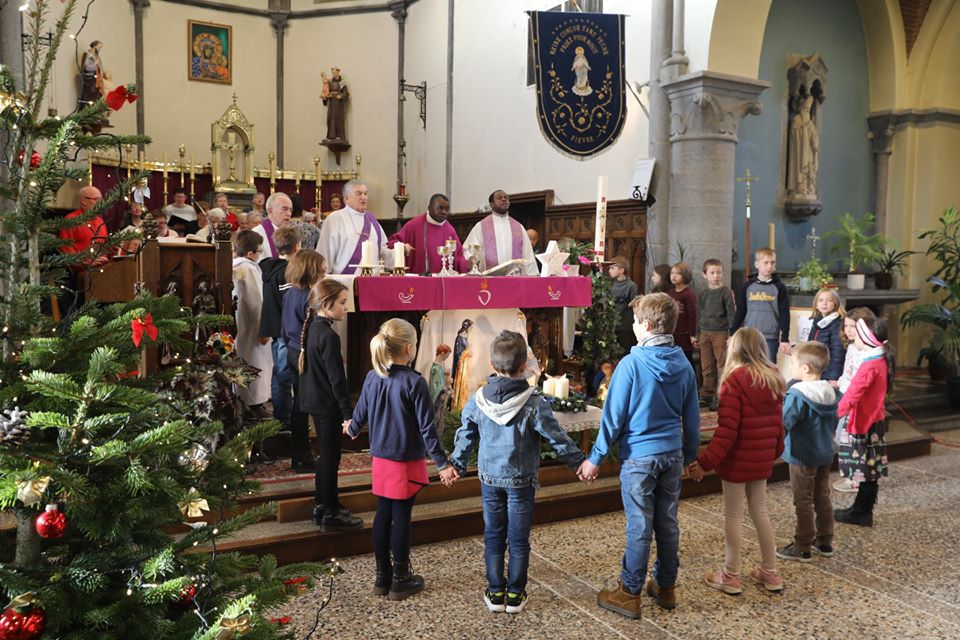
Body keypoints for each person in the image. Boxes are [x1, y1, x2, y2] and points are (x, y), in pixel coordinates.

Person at [579, 293, 700, 619]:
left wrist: (595, 457)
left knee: (639, 526)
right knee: (668, 523)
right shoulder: (684, 364)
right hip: (671, 455)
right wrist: (691, 456)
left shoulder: (631, 365)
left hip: (639, 459)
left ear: (645, 325)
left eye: (634, 321)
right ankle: (665, 586)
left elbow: (613, 417)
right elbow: (692, 416)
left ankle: (630, 592)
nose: (632, 326)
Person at [449, 330, 586, 614]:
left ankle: (495, 591)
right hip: (521, 481)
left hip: (490, 478)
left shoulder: (478, 399)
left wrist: (457, 466)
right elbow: (557, 437)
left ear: (491, 364)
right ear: (524, 366)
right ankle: (515, 594)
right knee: (519, 539)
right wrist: (578, 464)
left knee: (494, 536)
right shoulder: (533, 402)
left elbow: (465, 434)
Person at [346, 319, 458, 601]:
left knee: (383, 513)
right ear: (409, 348)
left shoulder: (372, 377)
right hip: (404, 459)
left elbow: (359, 417)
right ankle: (400, 578)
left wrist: (350, 427)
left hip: (380, 458)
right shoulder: (414, 382)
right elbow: (427, 429)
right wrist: (443, 464)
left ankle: (382, 577)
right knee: (402, 515)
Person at [688, 327, 786, 595]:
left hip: (737, 461)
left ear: (735, 350)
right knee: (760, 512)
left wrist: (704, 462)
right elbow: (779, 426)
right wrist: (774, 452)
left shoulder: (734, 381)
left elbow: (726, 433)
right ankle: (770, 571)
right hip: (762, 458)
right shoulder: (774, 378)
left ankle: (730, 575)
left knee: (733, 515)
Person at [298, 278, 363, 531]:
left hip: (314, 400)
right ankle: (332, 512)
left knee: (325, 457)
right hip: (327, 404)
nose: (346, 308)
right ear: (326, 305)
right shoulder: (329, 336)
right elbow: (337, 380)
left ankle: (323, 504)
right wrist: (348, 414)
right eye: (343, 303)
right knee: (330, 459)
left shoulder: (313, 328)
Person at [776, 341, 839, 562]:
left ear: (805, 368)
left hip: (802, 455)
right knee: (822, 496)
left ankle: (802, 546)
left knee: (802, 500)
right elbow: (834, 421)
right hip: (825, 453)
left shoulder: (798, 394)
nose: (791, 367)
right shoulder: (830, 391)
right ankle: (825, 541)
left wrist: (774, 444)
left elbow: (785, 422)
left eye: (793, 363)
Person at [834, 316, 894, 527]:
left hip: (863, 422)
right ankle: (861, 508)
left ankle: (861, 512)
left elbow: (853, 393)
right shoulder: (879, 359)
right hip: (873, 420)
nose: (854, 337)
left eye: (858, 334)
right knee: (869, 467)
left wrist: (834, 413)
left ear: (866, 339)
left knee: (865, 469)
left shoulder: (870, 364)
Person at [282, 250, 327, 472]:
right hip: (306, 354)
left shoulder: (291, 292)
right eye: (322, 271)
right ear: (311, 270)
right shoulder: (311, 296)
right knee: (314, 404)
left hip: (292, 350)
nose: (325, 275)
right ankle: (312, 454)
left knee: (299, 404)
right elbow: (315, 331)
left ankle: (299, 454)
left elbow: (285, 325)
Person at [259, 226, 302, 431]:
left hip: (277, 329)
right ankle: (285, 420)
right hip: (288, 330)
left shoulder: (270, 268)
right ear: (298, 246)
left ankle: (283, 419)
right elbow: (290, 304)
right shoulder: (287, 273)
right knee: (285, 376)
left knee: (281, 374)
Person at [833, 307, 877, 493]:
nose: (848, 330)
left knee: (854, 440)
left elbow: (862, 379)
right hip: (845, 393)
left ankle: (856, 480)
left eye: (853, 326)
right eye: (846, 326)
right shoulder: (852, 346)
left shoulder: (868, 351)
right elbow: (848, 372)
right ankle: (852, 476)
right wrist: (838, 382)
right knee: (842, 437)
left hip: (856, 400)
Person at [232, 231, 272, 420]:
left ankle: (243, 400)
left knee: (243, 358)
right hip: (251, 326)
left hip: (240, 324)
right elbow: (257, 302)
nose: (260, 255)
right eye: (259, 251)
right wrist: (263, 329)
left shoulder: (234, 266)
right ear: (250, 253)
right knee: (255, 361)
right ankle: (254, 403)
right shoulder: (249, 270)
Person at [315, 179, 391, 274]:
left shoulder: (372, 220)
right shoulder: (335, 219)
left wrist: (398, 252)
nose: (363, 197)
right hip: (343, 281)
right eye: (359, 194)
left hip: (372, 280)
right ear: (346, 199)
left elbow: (381, 250)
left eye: (365, 194)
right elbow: (324, 253)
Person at [731, 247, 791, 364]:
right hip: (750, 336)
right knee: (748, 367)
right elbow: (741, 311)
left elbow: (784, 314)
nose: (769, 266)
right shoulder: (748, 286)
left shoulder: (779, 287)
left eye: (772, 263)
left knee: (768, 368)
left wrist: (785, 338)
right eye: (766, 263)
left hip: (770, 338)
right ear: (757, 264)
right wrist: (732, 333)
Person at [387, 193, 469, 275]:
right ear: (429, 208)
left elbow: (458, 257)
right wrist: (403, 247)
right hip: (417, 278)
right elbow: (391, 242)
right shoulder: (415, 224)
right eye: (440, 208)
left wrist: (468, 264)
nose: (444, 212)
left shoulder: (450, 230)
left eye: (447, 209)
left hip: (443, 280)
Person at [462, 190, 538, 275]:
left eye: (506, 198)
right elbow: (468, 249)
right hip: (489, 278)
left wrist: (532, 274)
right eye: (499, 198)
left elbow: (528, 254)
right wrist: (472, 259)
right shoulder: (481, 226)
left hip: (514, 278)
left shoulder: (519, 227)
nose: (504, 199)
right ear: (492, 204)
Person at [696, 259, 736, 411]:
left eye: (719, 272)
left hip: (721, 332)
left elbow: (731, 314)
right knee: (706, 366)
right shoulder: (703, 293)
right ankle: (707, 395)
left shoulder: (725, 292)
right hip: (704, 333)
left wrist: (732, 333)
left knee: (722, 365)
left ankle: (721, 395)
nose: (716, 275)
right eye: (712, 273)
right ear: (704, 274)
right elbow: (699, 314)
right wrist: (696, 334)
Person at [59, 185, 109, 307]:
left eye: (100, 200)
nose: (99, 203)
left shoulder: (100, 221)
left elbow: (105, 246)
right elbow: (65, 250)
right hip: (78, 279)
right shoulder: (71, 220)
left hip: (103, 276)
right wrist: (86, 262)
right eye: (95, 199)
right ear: (83, 201)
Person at [807, 288, 845, 384]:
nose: (824, 303)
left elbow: (838, 353)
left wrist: (833, 377)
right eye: (821, 300)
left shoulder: (837, 323)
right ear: (816, 304)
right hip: (816, 367)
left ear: (835, 304)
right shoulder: (817, 321)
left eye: (829, 300)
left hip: (828, 372)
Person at [667, 262, 697, 368]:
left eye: (678, 273)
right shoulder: (671, 292)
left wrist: (692, 334)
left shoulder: (688, 294)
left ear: (685, 275)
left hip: (684, 334)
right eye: (672, 273)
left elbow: (692, 315)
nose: (674, 276)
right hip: (673, 333)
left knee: (686, 359)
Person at [607, 256, 638, 353]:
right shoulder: (609, 285)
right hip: (611, 325)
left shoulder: (631, 286)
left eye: (612, 268)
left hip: (625, 326)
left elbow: (635, 306)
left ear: (621, 270)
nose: (609, 271)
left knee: (624, 351)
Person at [251, 192, 293, 261]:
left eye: (290, 210)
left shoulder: (292, 234)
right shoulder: (256, 233)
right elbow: (258, 263)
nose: (289, 214)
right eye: (284, 209)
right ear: (270, 210)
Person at [323, 67, 350, 141]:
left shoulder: (342, 82)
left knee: (338, 119)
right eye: (332, 72)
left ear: (338, 72)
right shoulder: (330, 82)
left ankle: (339, 135)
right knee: (330, 119)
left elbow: (346, 93)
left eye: (334, 72)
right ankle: (331, 136)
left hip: (338, 104)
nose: (333, 74)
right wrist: (326, 96)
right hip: (331, 104)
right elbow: (326, 92)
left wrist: (341, 96)